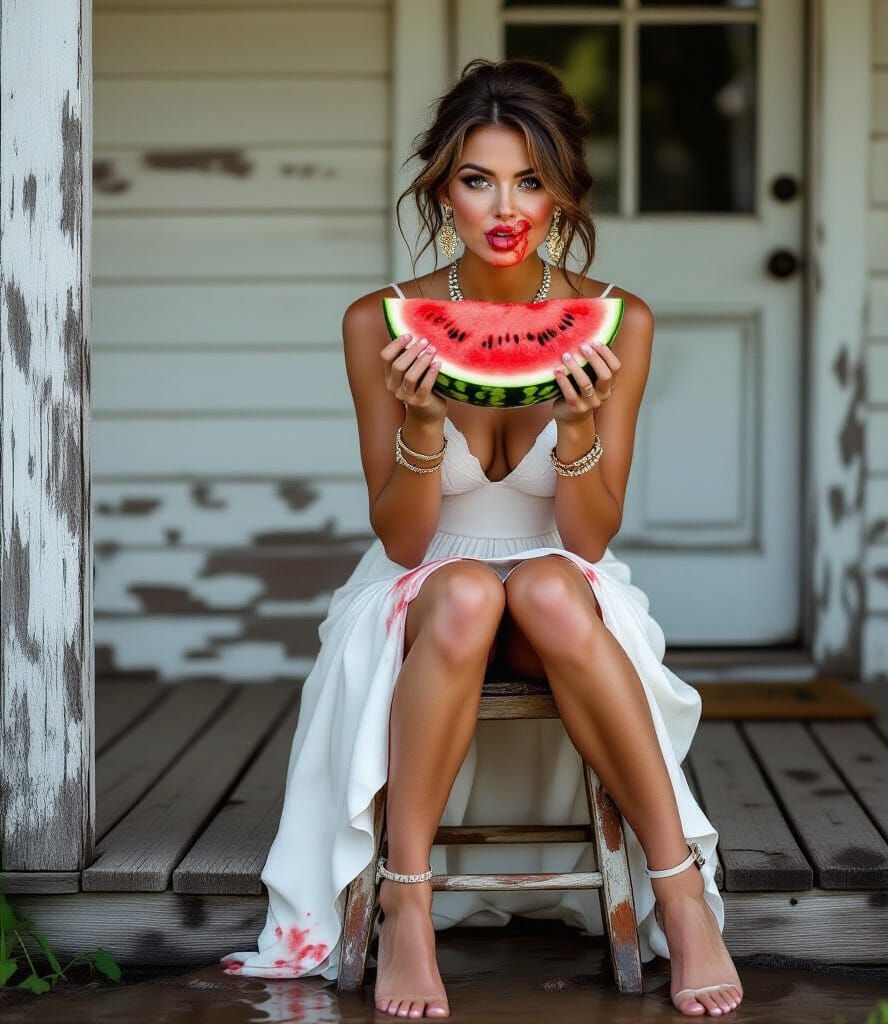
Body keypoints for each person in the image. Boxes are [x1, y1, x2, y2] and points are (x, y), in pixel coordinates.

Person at [221, 57, 743, 1019]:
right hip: (426, 588)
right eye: (477, 179)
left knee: (543, 582)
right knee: (466, 592)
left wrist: (579, 430)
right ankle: (407, 909)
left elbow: (589, 536)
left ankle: (680, 895)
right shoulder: (376, 323)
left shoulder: (620, 321)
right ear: (441, 189)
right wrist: (421, 429)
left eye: (530, 180)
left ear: (564, 191)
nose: (505, 206)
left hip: (563, 584)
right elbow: (405, 544)